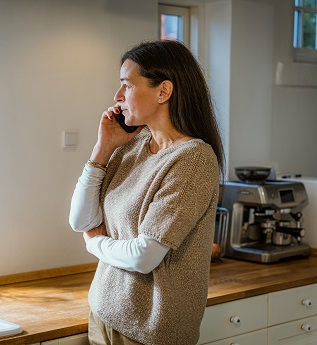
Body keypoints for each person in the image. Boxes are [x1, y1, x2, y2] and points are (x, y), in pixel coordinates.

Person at [69, 40, 225, 345]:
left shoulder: (192, 160)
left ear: (163, 91)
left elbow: (145, 256)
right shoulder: (134, 146)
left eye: (127, 85)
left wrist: (95, 243)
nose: (117, 97)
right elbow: (79, 220)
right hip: (103, 314)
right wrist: (103, 149)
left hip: (150, 333)